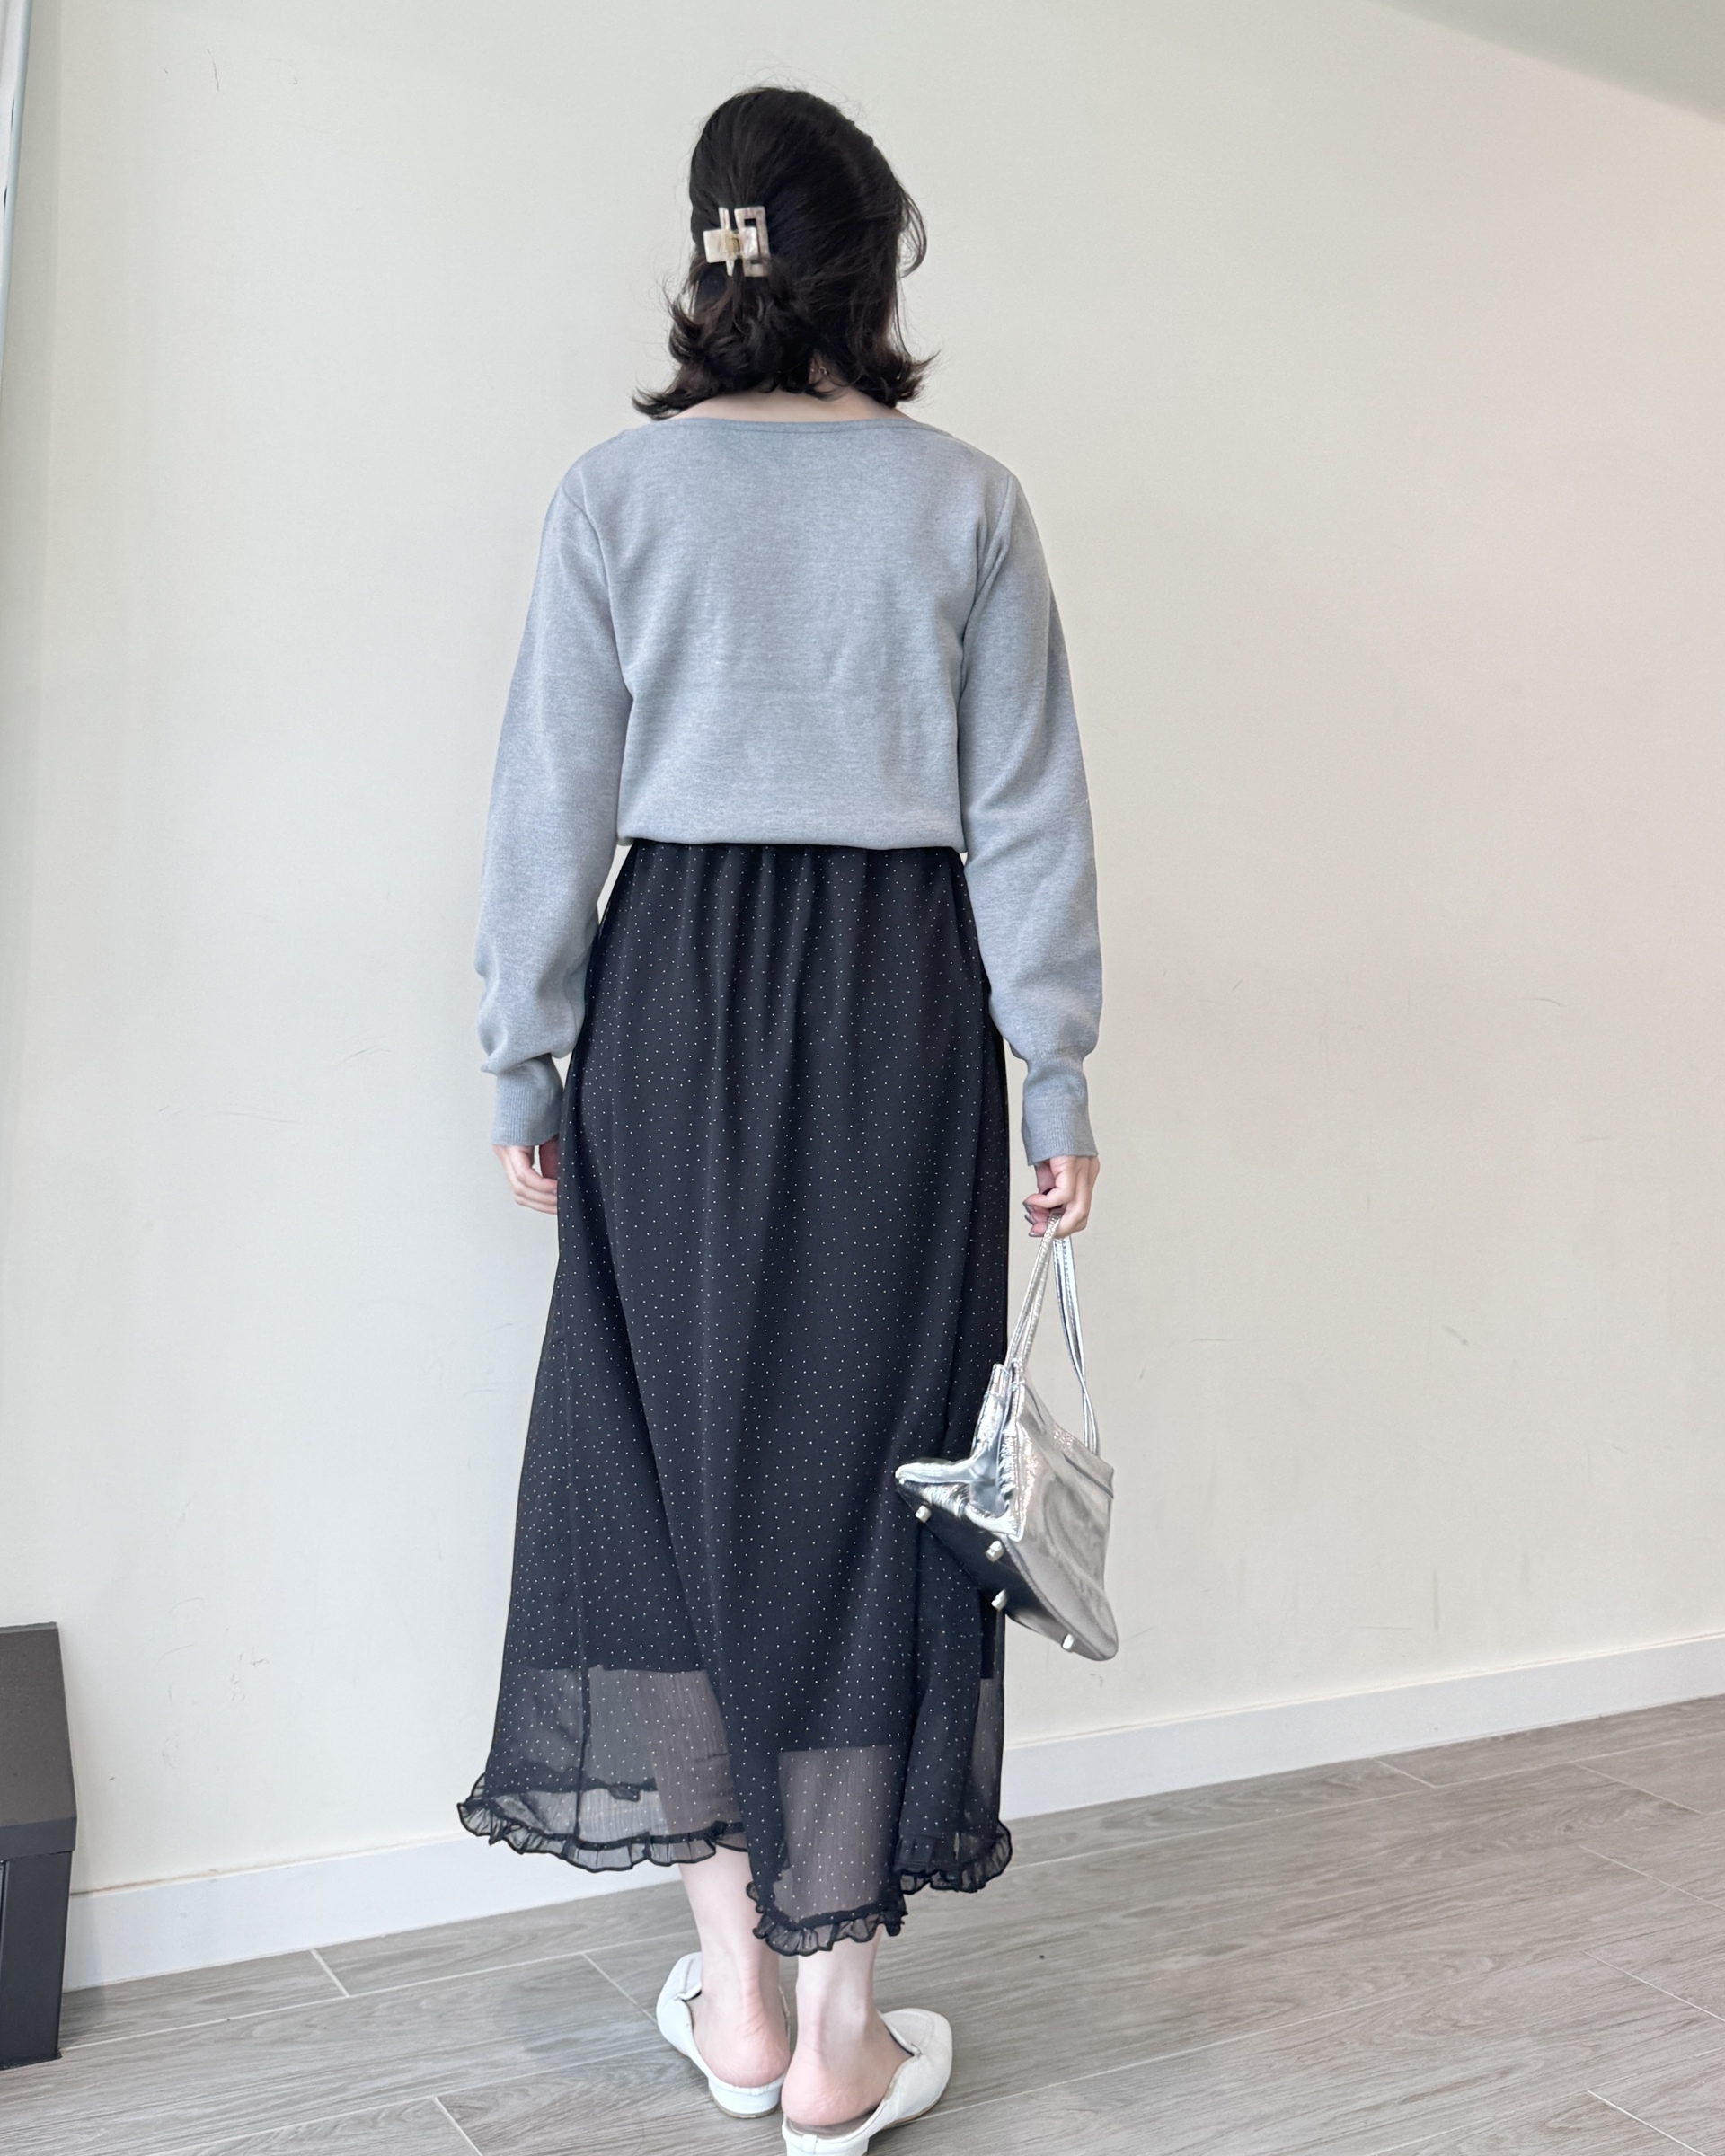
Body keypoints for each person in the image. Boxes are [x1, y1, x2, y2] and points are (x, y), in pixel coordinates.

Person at [460, 85, 1101, 2156]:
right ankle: (840, 2030)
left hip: (672, 1007)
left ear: (712, 251)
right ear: (868, 262)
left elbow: (548, 805)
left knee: (667, 1466)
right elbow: (1027, 815)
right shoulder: (967, 500)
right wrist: (1057, 1068)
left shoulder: (614, 496)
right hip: (904, 1006)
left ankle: (732, 1998)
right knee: (874, 1470)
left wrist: (526, 1056)